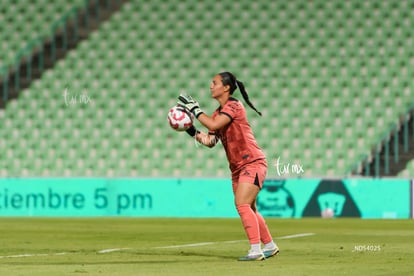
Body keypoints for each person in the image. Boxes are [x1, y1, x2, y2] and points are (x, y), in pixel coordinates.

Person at [177, 72, 279, 261]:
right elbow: (210, 141)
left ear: (225, 88)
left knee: (241, 204)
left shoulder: (234, 105)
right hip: (237, 168)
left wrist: (196, 109)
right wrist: (190, 129)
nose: (210, 86)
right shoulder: (217, 113)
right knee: (250, 208)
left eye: (214, 83)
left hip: (252, 162)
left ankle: (256, 250)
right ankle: (270, 245)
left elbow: (215, 123)